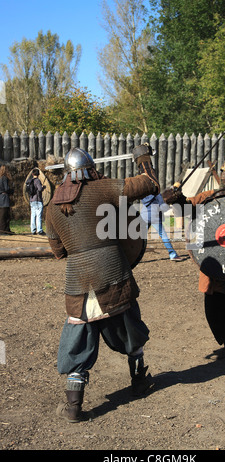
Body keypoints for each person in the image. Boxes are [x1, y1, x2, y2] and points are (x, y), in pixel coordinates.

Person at [46, 145, 160, 423]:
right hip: (113, 276)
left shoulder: (52, 207)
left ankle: (73, 407)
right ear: (90, 168)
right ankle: (139, 383)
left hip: (78, 284)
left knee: (78, 342)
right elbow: (151, 184)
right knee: (129, 330)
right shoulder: (105, 188)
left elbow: (59, 251)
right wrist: (143, 157)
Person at [163, 154, 225, 362]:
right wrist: (177, 199)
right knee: (215, 310)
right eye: (224, 171)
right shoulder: (211, 196)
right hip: (214, 264)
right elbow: (188, 207)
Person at [140, 193, 182, 261]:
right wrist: (167, 204)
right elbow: (163, 208)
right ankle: (173, 255)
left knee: (141, 237)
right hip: (155, 217)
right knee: (163, 236)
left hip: (144, 216)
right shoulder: (157, 195)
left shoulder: (144, 194)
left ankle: (135, 255)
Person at [29, 168, 46, 235]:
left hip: (32, 200)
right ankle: (39, 230)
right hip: (38, 200)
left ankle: (33, 230)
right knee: (38, 216)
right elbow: (39, 189)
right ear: (38, 174)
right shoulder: (37, 181)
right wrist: (43, 187)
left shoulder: (30, 181)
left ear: (32, 174)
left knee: (33, 215)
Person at [0, 165, 14, 235]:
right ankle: (3, 230)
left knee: (3, 214)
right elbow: (6, 188)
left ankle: (6, 229)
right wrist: (11, 190)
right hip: (4, 198)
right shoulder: (4, 178)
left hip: (1, 197)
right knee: (5, 215)